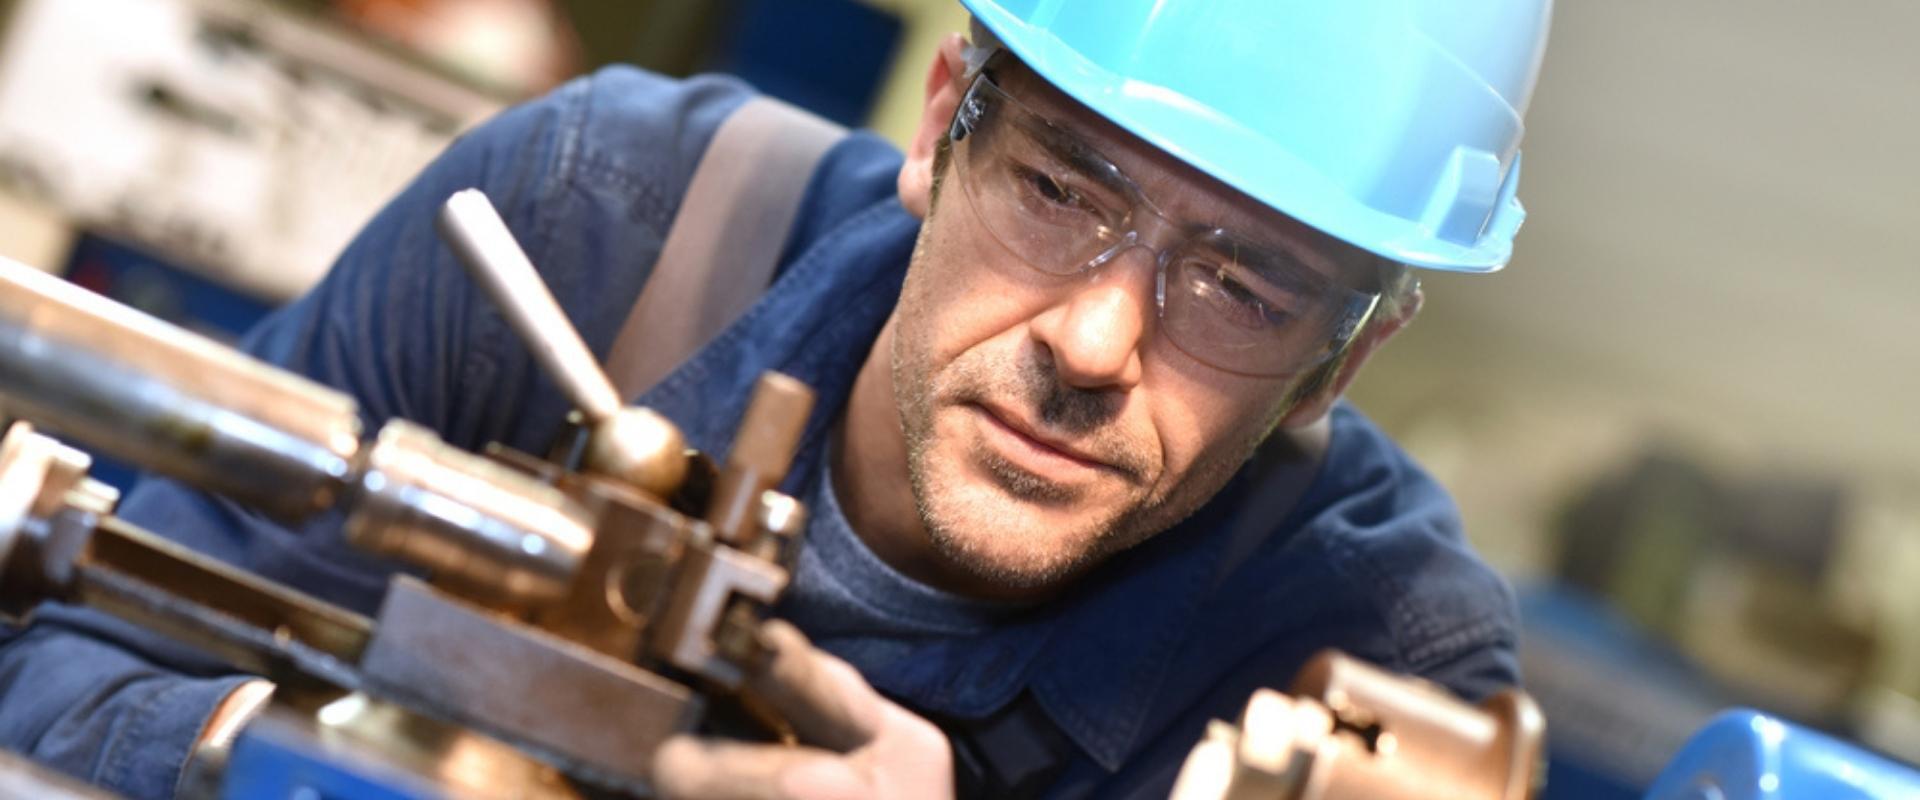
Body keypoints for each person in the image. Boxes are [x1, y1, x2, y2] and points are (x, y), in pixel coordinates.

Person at [0, 1, 1553, 797]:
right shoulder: (598, 226)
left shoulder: (1375, 684)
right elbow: (55, 662)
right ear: (944, 124)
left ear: (1342, 363)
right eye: (1065, 192)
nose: (1093, 340)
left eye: (1245, 286)